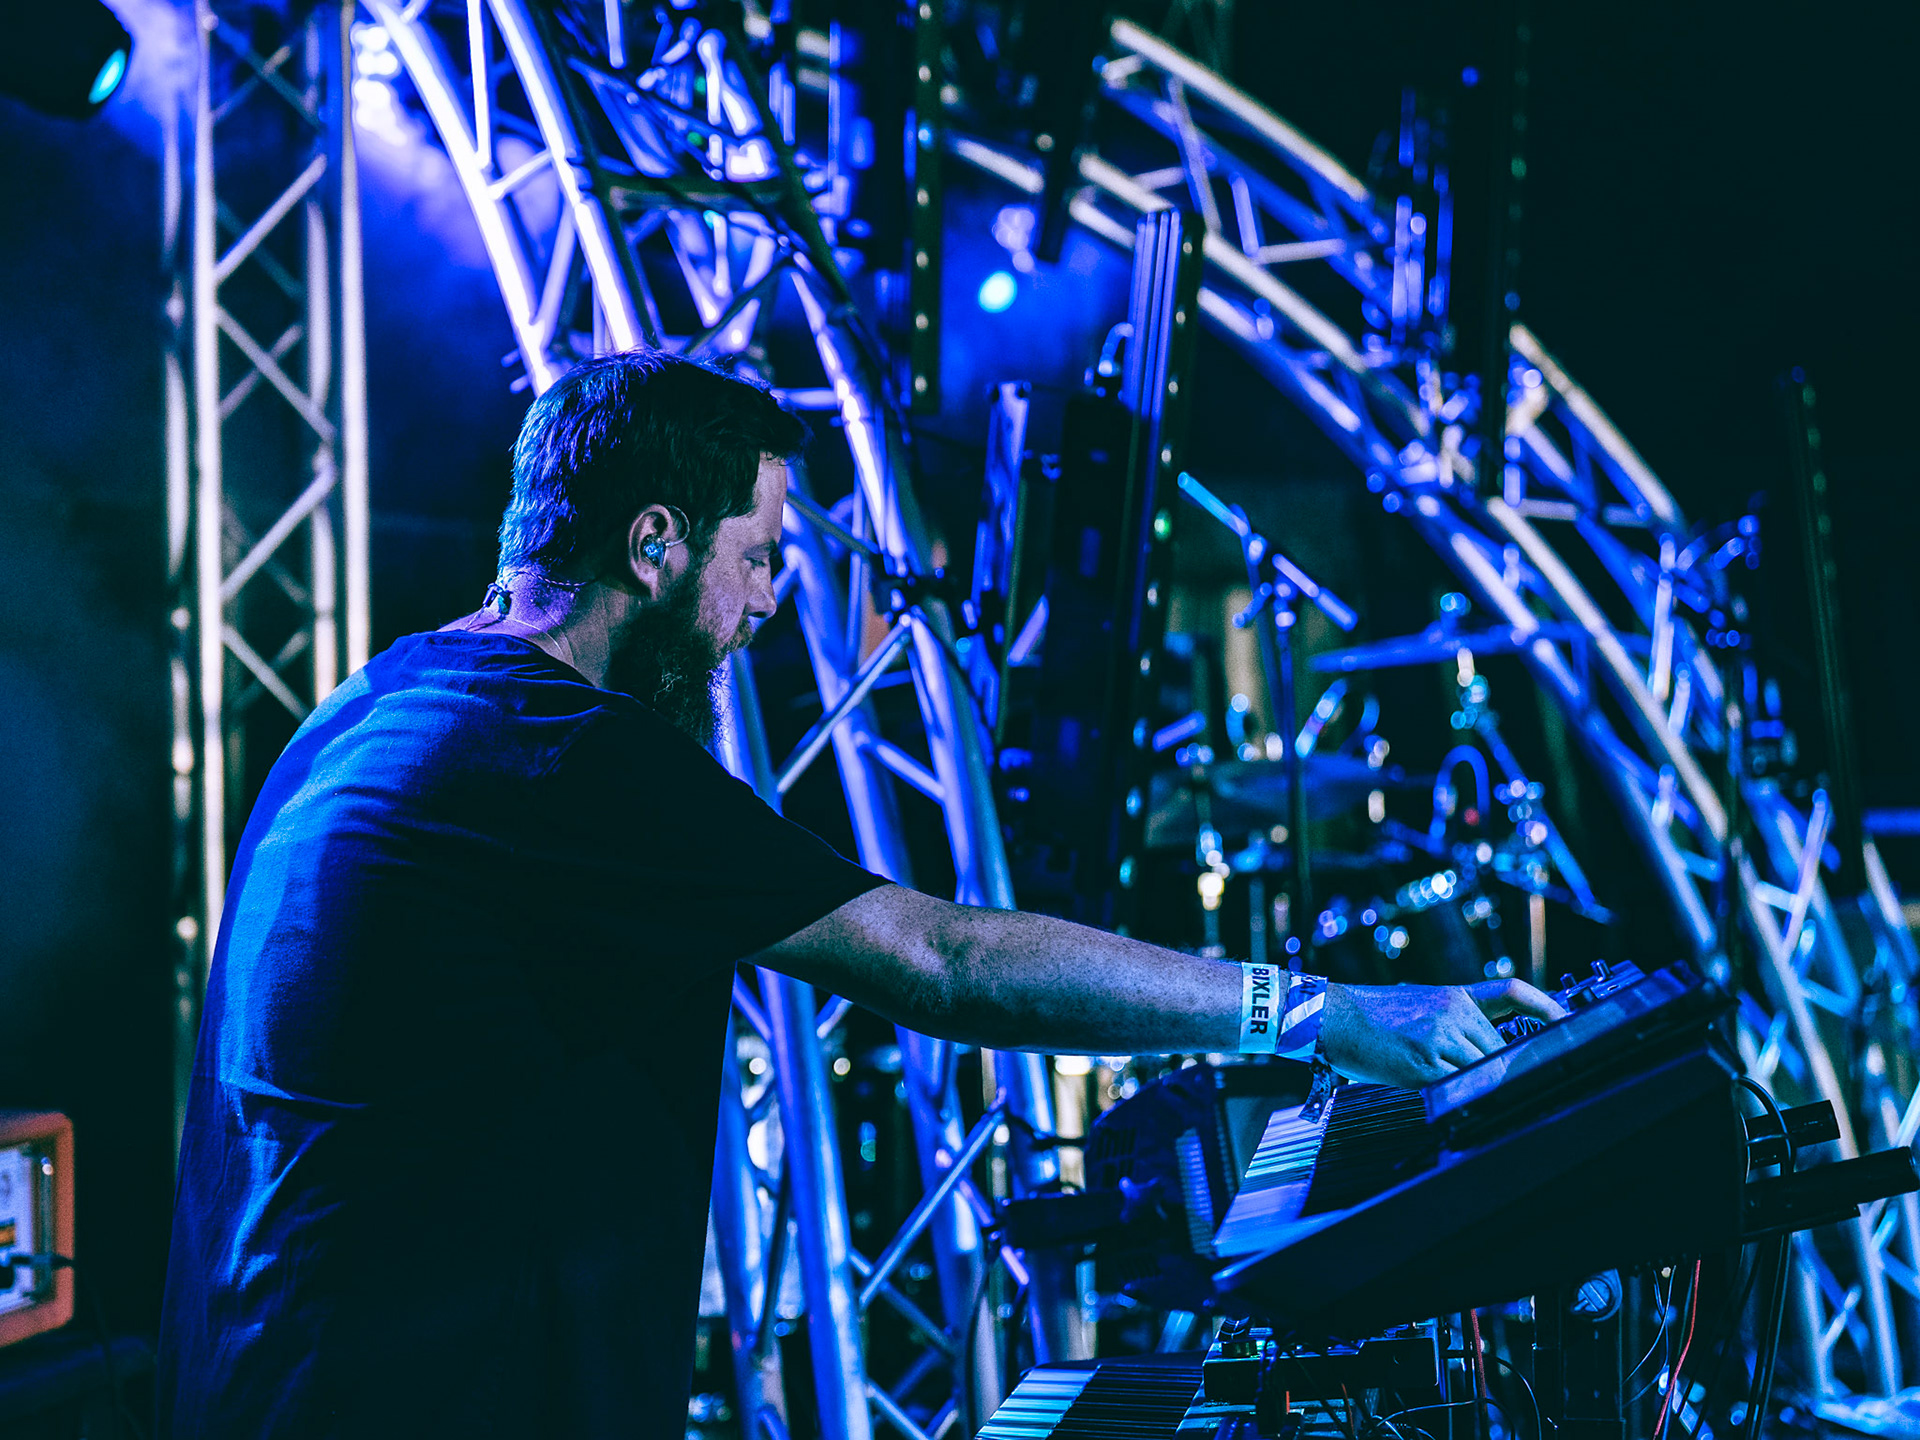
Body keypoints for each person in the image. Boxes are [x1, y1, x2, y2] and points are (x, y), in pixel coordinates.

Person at [157, 351, 1561, 1438]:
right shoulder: (559, 755)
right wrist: (1314, 1012)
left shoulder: (383, 701)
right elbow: (943, 962)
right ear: (653, 544)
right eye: (757, 555)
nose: (770, 602)